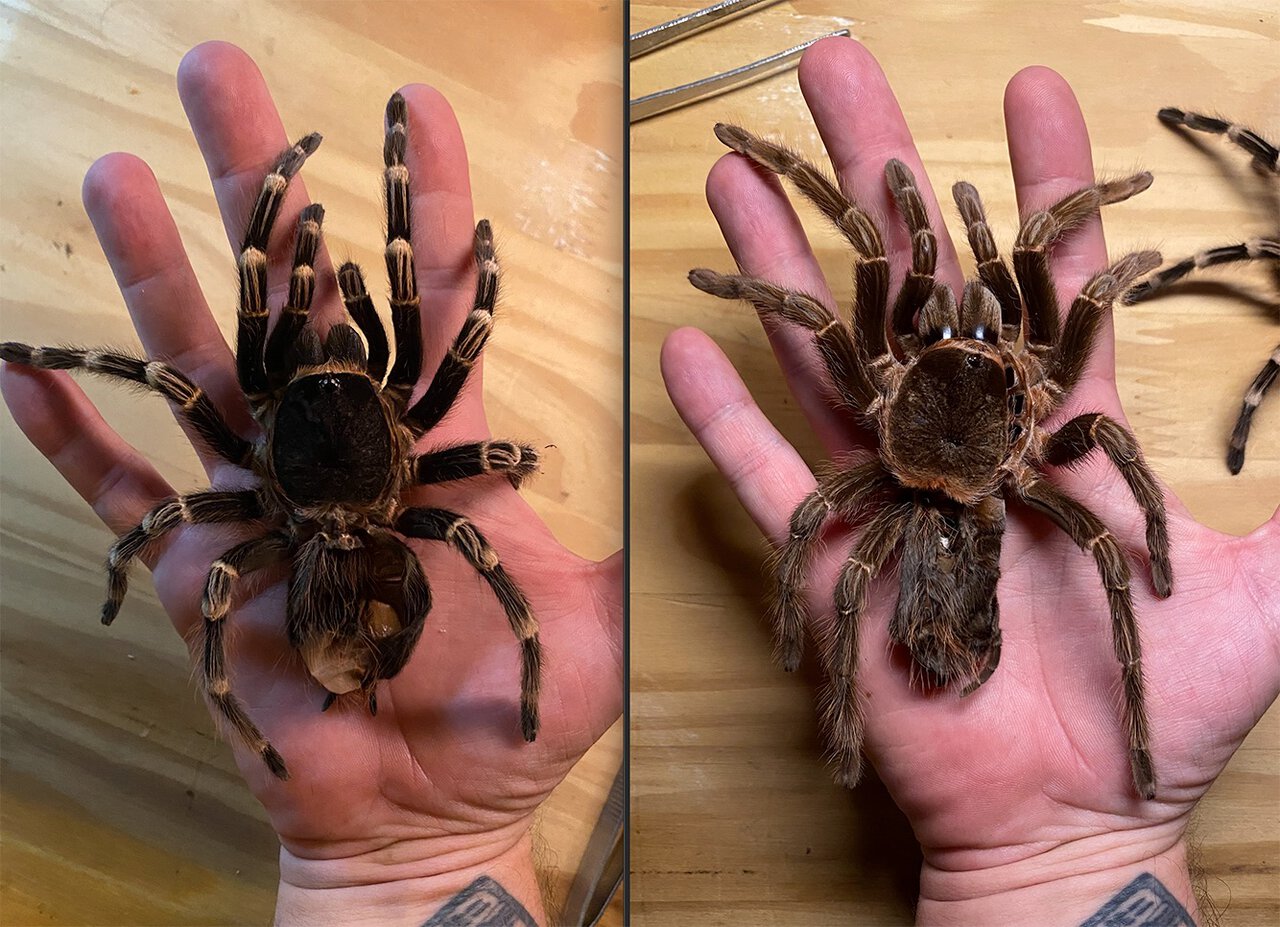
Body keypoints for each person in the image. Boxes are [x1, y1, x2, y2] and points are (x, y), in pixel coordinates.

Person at [0, 42, 622, 926]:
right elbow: (465, 332)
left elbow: (177, 378)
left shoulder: (256, 429)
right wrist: (479, 289)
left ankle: (246, 717)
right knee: (460, 527)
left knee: (179, 434)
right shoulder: (409, 417)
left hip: (302, 560)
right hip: (372, 585)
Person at [662, 36, 1278, 926]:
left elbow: (847, 286)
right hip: (979, 497)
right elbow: (1092, 299)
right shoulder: (1047, 406)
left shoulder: (877, 408)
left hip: (904, 509)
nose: (973, 328)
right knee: (1104, 544)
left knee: (874, 260)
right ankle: (1128, 739)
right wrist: (1108, 267)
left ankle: (850, 718)